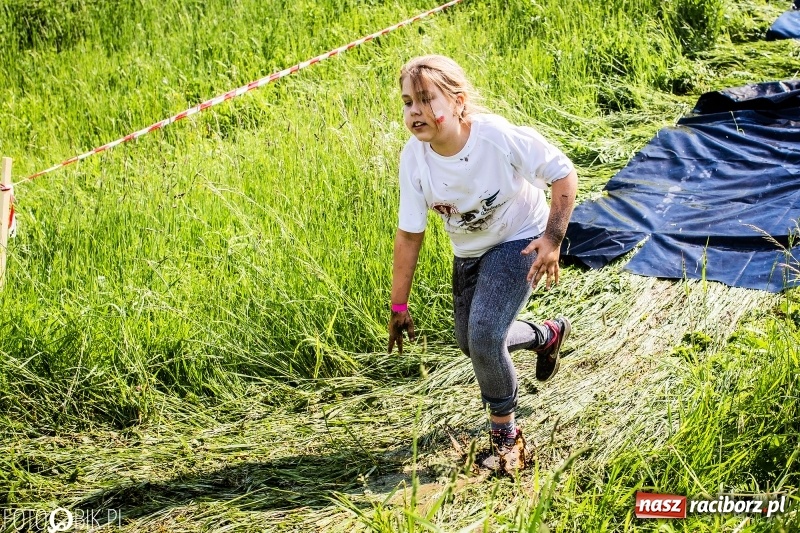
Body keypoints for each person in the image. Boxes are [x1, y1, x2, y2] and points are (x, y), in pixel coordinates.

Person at [387, 55, 578, 474]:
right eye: (407, 102)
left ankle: (508, 439)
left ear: (458, 102)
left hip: (520, 238)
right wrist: (398, 306)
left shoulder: (494, 137)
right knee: (472, 343)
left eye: (425, 99)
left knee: (486, 336)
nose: (415, 111)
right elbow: (410, 234)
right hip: (470, 252)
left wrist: (552, 239)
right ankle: (546, 334)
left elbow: (564, 175)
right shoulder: (414, 159)